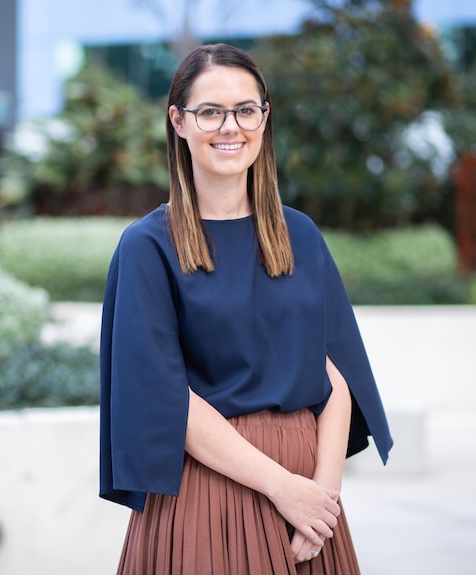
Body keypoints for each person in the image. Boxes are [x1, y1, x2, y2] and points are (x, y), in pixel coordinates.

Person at [99, 43, 392, 575]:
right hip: (210, 499)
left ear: (264, 117)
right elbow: (169, 402)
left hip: (308, 507)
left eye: (245, 110)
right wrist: (282, 488)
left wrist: (322, 499)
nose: (230, 127)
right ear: (178, 122)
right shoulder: (148, 247)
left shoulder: (299, 234)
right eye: (210, 111)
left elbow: (334, 376)